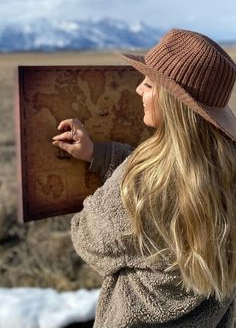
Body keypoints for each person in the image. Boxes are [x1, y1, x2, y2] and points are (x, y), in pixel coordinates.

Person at [52, 28, 236, 328]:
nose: (138, 89)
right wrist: (99, 155)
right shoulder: (226, 170)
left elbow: (87, 239)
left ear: (171, 102)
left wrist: (122, 178)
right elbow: (175, 178)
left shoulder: (141, 182)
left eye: (149, 83)